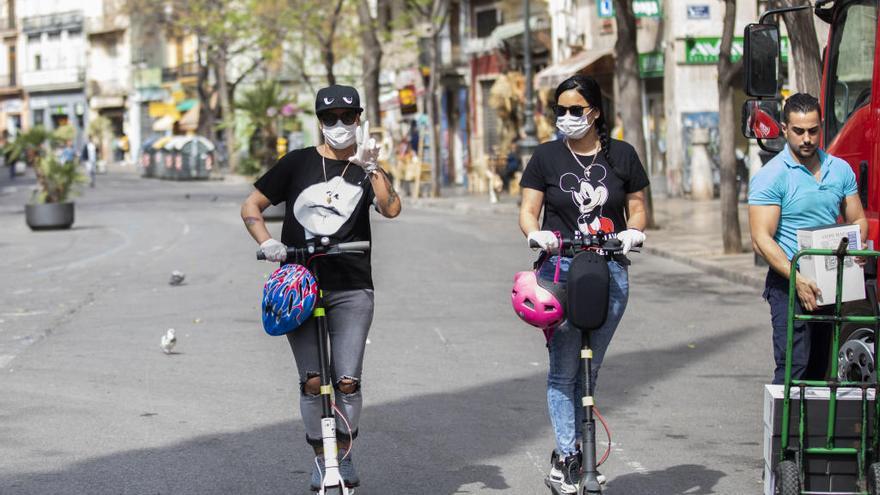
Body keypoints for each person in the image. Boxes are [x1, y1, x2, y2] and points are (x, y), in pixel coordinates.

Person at [240, 85, 401, 491]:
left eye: (348, 117)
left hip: (351, 287)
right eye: (330, 118)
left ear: (359, 119)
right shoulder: (297, 163)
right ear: (319, 121)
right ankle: (320, 458)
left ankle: (343, 456)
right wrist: (268, 243)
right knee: (312, 380)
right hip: (299, 286)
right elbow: (251, 206)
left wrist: (372, 168)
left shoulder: (366, 166)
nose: (340, 125)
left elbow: (391, 208)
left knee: (347, 380)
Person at [518, 75, 649, 494]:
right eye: (561, 110)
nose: (567, 117)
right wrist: (534, 234)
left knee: (590, 370)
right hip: (558, 273)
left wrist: (634, 232)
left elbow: (638, 207)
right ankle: (570, 457)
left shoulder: (623, 155)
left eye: (576, 110)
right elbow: (528, 210)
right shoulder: (546, 157)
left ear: (595, 111)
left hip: (609, 271)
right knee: (564, 370)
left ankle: (570, 454)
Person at [748, 92, 868, 385]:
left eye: (813, 131)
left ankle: (811, 432)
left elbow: (858, 220)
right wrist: (797, 279)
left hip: (829, 281)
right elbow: (760, 238)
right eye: (799, 131)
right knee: (793, 368)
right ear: (785, 128)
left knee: (821, 372)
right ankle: (782, 432)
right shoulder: (772, 175)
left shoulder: (839, 170)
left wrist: (857, 246)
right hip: (788, 282)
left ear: (821, 127)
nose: (806, 139)